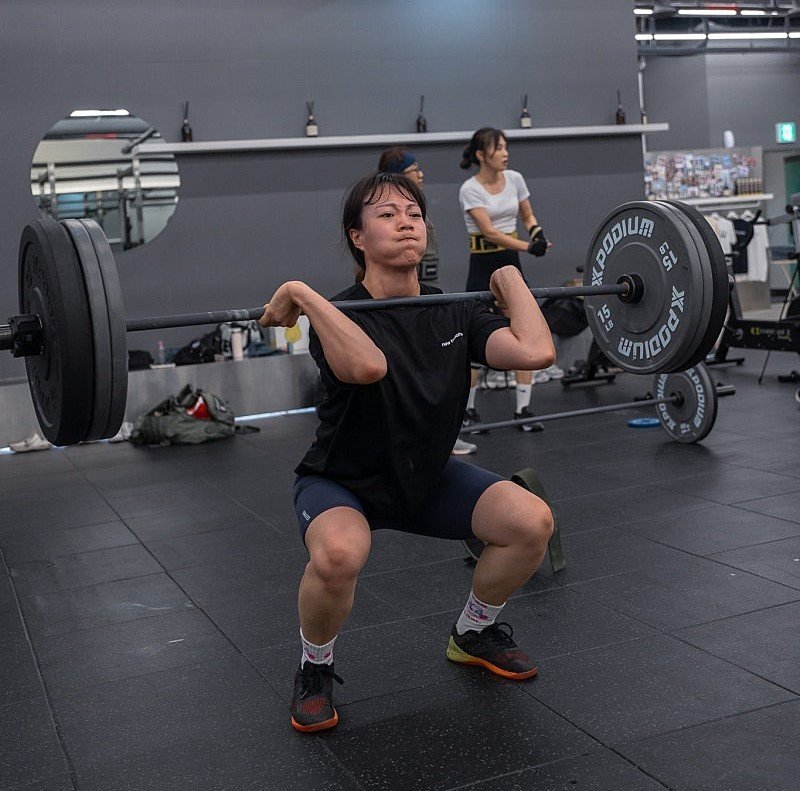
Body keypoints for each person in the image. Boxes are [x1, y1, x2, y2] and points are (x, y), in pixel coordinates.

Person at [259, 172, 555, 733]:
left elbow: (535, 352)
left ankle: (472, 632)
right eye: (388, 215)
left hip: (426, 477)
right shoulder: (337, 313)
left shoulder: (455, 309)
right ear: (358, 237)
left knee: (531, 522)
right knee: (338, 556)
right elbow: (368, 367)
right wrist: (302, 293)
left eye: (415, 214)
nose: (406, 224)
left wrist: (510, 279)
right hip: (343, 481)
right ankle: (314, 667)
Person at [458, 127, 562, 434]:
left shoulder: (515, 179)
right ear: (481, 155)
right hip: (483, 266)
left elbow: (527, 216)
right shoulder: (469, 189)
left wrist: (537, 233)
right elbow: (489, 232)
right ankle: (468, 411)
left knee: (524, 329)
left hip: (511, 264)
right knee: (475, 335)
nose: (505, 153)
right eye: (498, 148)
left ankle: (523, 410)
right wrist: (530, 247)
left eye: (506, 147)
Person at [378, 146, 477, 456]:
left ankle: (441, 436)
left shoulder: (421, 218)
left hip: (427, 303)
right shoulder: (387, 226)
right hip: (403, 310)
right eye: (413, 171)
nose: (421, 174)